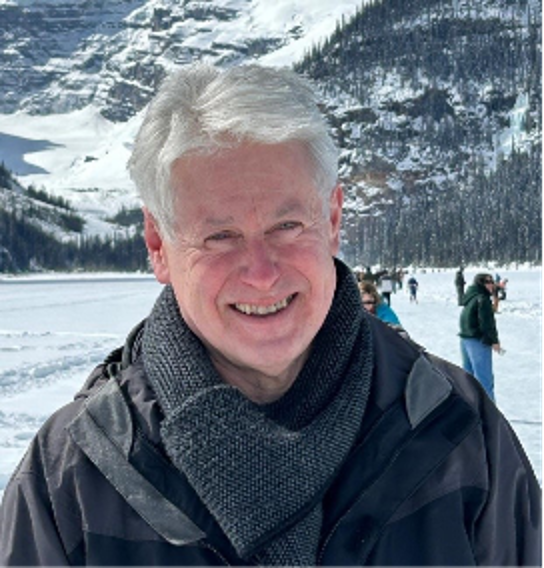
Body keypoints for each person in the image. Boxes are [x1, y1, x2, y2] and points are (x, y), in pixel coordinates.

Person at [0, 64, 540, 567]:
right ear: (158, 245)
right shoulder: (74, 475)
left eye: (287, 226)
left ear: (332, 220)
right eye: (220, 235)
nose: (261, 274)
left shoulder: (456, 429)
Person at [459, 273, 502, 401]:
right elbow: (487, 322)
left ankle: (472, 405)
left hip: (465, 339)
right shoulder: (482, 299)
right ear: (481, 284)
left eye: (492, 282)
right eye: (487, 282)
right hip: (477, 340)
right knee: (484, 379)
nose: (491, 285)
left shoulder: (472, 296)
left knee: (469, 378)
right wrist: (494, 340)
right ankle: (489, 409)